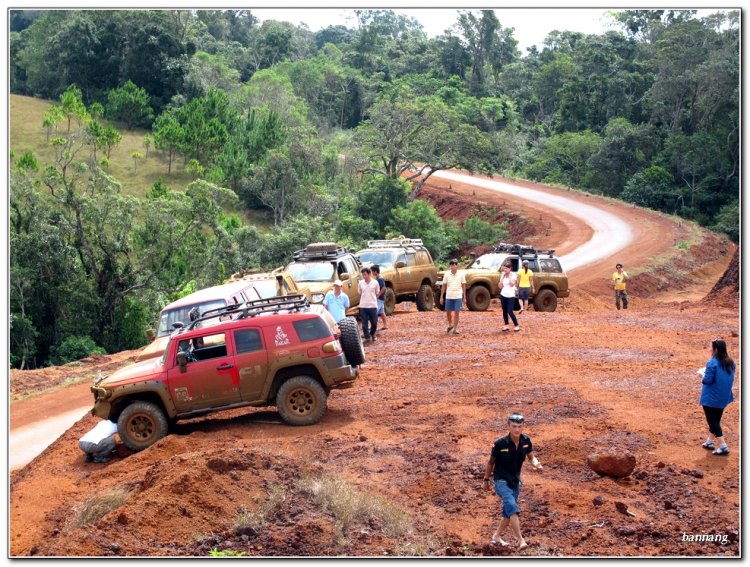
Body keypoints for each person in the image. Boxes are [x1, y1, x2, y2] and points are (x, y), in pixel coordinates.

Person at [483, 413, 542, 550]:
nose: (517, 430)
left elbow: (531, 458)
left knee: (508, 512)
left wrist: (537, 465)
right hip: (501, 481)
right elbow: (490, 462)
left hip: (514, 481)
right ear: (508, 426)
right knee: (512, 507)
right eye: (514, 426)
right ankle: (521, 540)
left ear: (523, 427)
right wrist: (486, 480)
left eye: (519, 427)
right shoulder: (500, 443)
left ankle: (497, 536)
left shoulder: (526, 441)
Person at [700, 338, 736, 456]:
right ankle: (710, 442)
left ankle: (723, 446)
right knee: (715, 420)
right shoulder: (731, 362)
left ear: (715, 350)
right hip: (723, 397)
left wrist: (702, 375)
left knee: (713, 422)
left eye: (711, 347)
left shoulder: (712, 362)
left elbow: (707, 380)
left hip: (711, 397)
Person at [439, 259, 466, 335]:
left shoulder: (461, 274)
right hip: (449, 295)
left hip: (458, 295)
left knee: (457, 312)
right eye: (451, 265)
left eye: (454, 265)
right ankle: (450, 325)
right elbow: (444, 286)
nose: (452, 266)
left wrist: (464, 297)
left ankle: (455, 328)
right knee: (448, 312)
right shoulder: (446, 275)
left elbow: (463, 286)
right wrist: (441, 297)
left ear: (456, 266)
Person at [358, 267, 380, 343]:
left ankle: (372, 333)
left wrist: (373, 300)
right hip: (363, 306)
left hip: (372, 306)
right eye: (363, 275)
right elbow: (360, 293)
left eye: (365, 275)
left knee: (374, 322)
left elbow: (377, 293)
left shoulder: (375, 283)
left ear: (369, 274)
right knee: (364, 323)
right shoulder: (360, 283)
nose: (364, 276)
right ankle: (367, 337)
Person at [499, 263, 520, 332]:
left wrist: (510, 276)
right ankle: (506, 325)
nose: (505, 270)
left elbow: (511, 284)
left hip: (510, 295)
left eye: (506, 268)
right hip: (503, 294)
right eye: (504, 268)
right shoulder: (503, 275)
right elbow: (500, 286)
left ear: (510, 269)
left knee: (510, 311)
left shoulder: (513, 275)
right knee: (504, 311)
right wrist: (502, 278)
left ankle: (516, 325)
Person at [371, 265, 388, 330]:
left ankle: (373, 327)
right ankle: (385, 325)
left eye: (372, 271)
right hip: (381, 298)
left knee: (374, 312)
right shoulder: (378, 278)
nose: (372, 273)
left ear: (375, 271)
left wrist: (378, 295)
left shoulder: (380, 278)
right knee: (382, 311)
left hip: (380, 298)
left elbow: (383, 288)